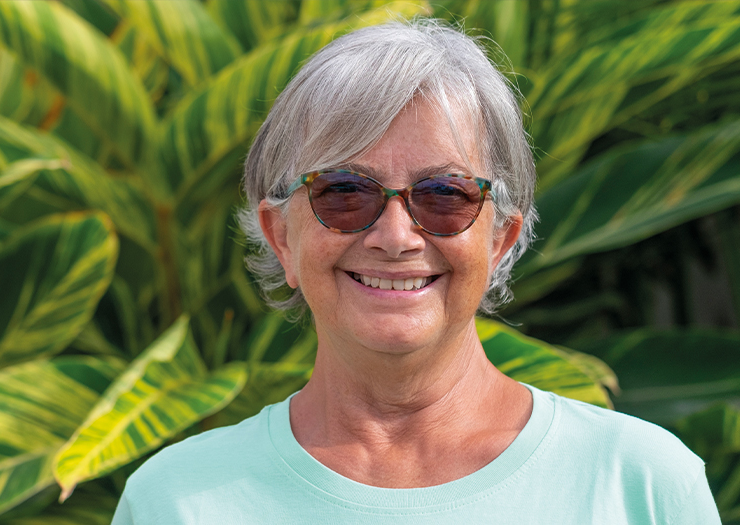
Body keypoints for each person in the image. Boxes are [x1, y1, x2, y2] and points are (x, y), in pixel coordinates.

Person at [111, 19, 720, 524]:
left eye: (445, 196)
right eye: (344, 192)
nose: (396, 237)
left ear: (502, 238)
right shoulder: (176, 501)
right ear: (281, 237)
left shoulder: (640, 485)